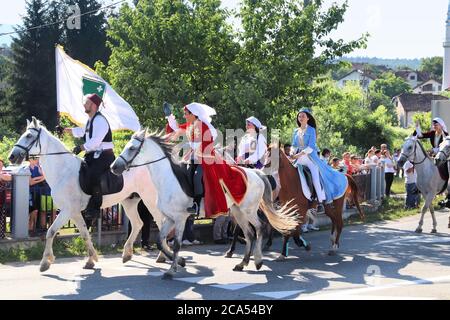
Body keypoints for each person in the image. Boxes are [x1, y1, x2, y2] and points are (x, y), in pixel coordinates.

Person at [165, 102, 247, 218]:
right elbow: (176, 128)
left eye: (186, 114)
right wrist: (169, 116)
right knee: (182, 173)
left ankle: (196, 205)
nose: (184, 116)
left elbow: (202, 144)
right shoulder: (190, 125)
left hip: (205, 158)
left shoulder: (203, 126)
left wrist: (190, 152)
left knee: (197, 176)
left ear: (194, 114)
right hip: (194, 157)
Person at [64, 93, 114, 220]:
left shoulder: (100, 121)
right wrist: (65, 130)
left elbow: (95, 141)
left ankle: (95, 208)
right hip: (93, 155)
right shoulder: (90, 120)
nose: (84, 105)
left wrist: (80, 148)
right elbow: (81, 131)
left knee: (93, 174)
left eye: (87, 103)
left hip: (104, 156)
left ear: (94, 105)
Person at [291, 108, 347, 206]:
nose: (301, 118)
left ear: (308, 118)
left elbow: (311, 147)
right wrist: (292, 153)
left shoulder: (311, 130)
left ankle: (320, 201)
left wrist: (298, 155)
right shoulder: (296, 131)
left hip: (310, 159)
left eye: (303, 116)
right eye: (299, 116)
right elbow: (294, 145)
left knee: (315, 179)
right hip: (298, 159)